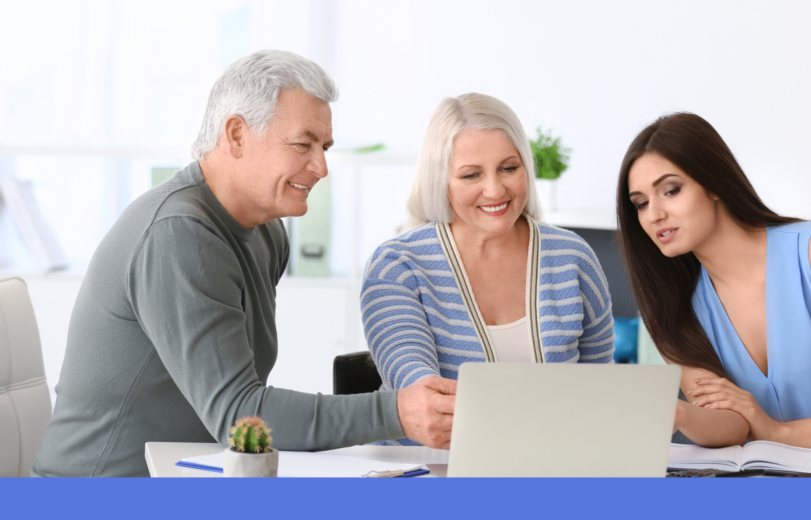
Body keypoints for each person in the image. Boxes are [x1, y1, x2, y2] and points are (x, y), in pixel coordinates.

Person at [32, 50, 455, 478]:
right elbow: (239, 414)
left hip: (190, 476)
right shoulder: (179, 234)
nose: (322, 166)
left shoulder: (268, 232)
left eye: (324, 147)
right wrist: (396, 412)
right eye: (302, 143)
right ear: (236, 135)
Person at [616, 112, 811, 466]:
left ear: (713, 184)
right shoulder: (671, 307)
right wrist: (677, 413)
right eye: (641, 203)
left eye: (671, 190)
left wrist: (778, 434)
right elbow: (732, 424)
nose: (653, 215)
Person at [361, 93, 615, 444]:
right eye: (471, 175)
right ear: (441, 181)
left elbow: (599, 393)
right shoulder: (397, 267)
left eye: (509, 168)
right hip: (425, 471)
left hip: (552, 468)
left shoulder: (573, 258)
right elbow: (422, 397)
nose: (495, 189)